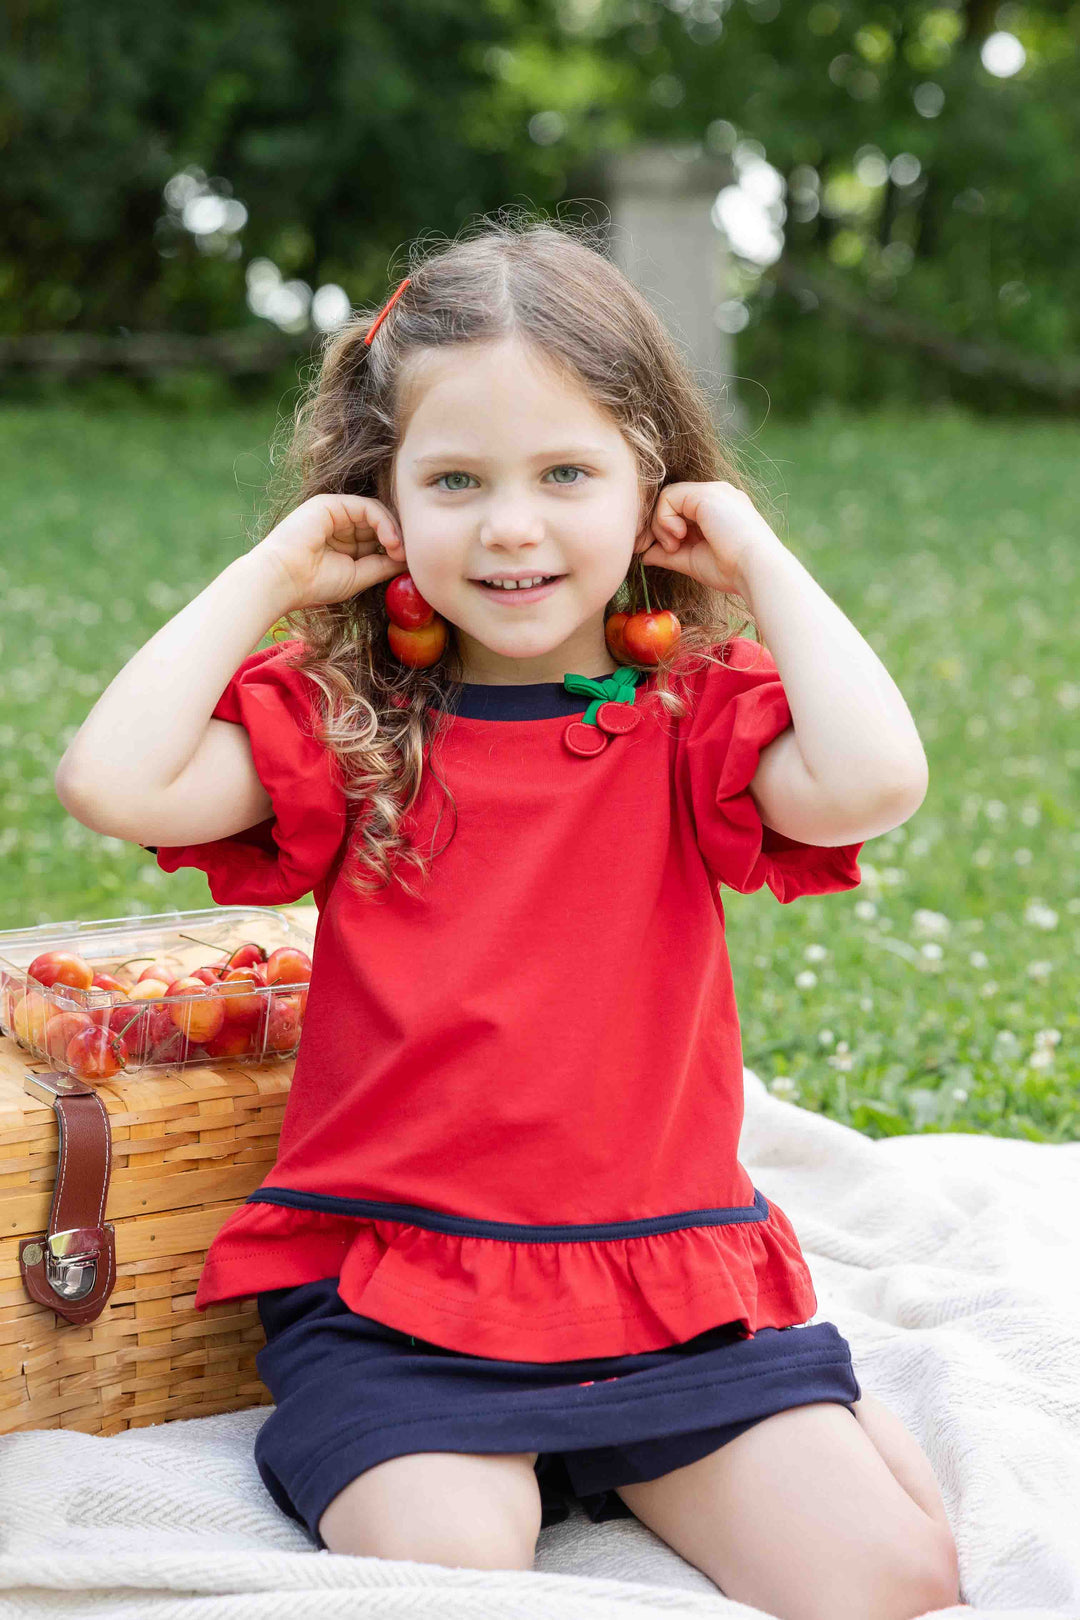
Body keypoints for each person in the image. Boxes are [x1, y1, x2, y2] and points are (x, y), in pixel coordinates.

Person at [55, 214, 961, 1618]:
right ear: (386, 497)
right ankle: (505, 1463)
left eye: (567, 473)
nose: (514, 524)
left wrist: (760, 558)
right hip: (402, 1293)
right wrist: (273, 577)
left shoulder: (685, 719)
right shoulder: (353, 723)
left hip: (662, 1284)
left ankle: (785, 1426)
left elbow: (875, 779)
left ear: (655, 488)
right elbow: (113, 781)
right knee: (455, 1574)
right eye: (457, 479)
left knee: (894, 1584)